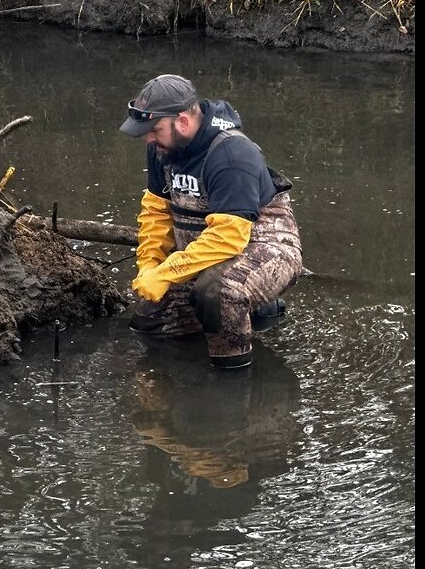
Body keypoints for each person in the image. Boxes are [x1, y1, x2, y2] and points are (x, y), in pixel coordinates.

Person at [118, 74, 302, 368]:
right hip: (202, 255)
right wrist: (150, 265)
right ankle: (250, 313)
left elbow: (229, 237)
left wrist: (167, 274)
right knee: (149, 322)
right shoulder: (162, 149)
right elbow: (156, 212)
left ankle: (231, 381)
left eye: (154, 130)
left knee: (217, 295)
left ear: (183, 121)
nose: (148, 138)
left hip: (261, 249)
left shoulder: (231, 154)